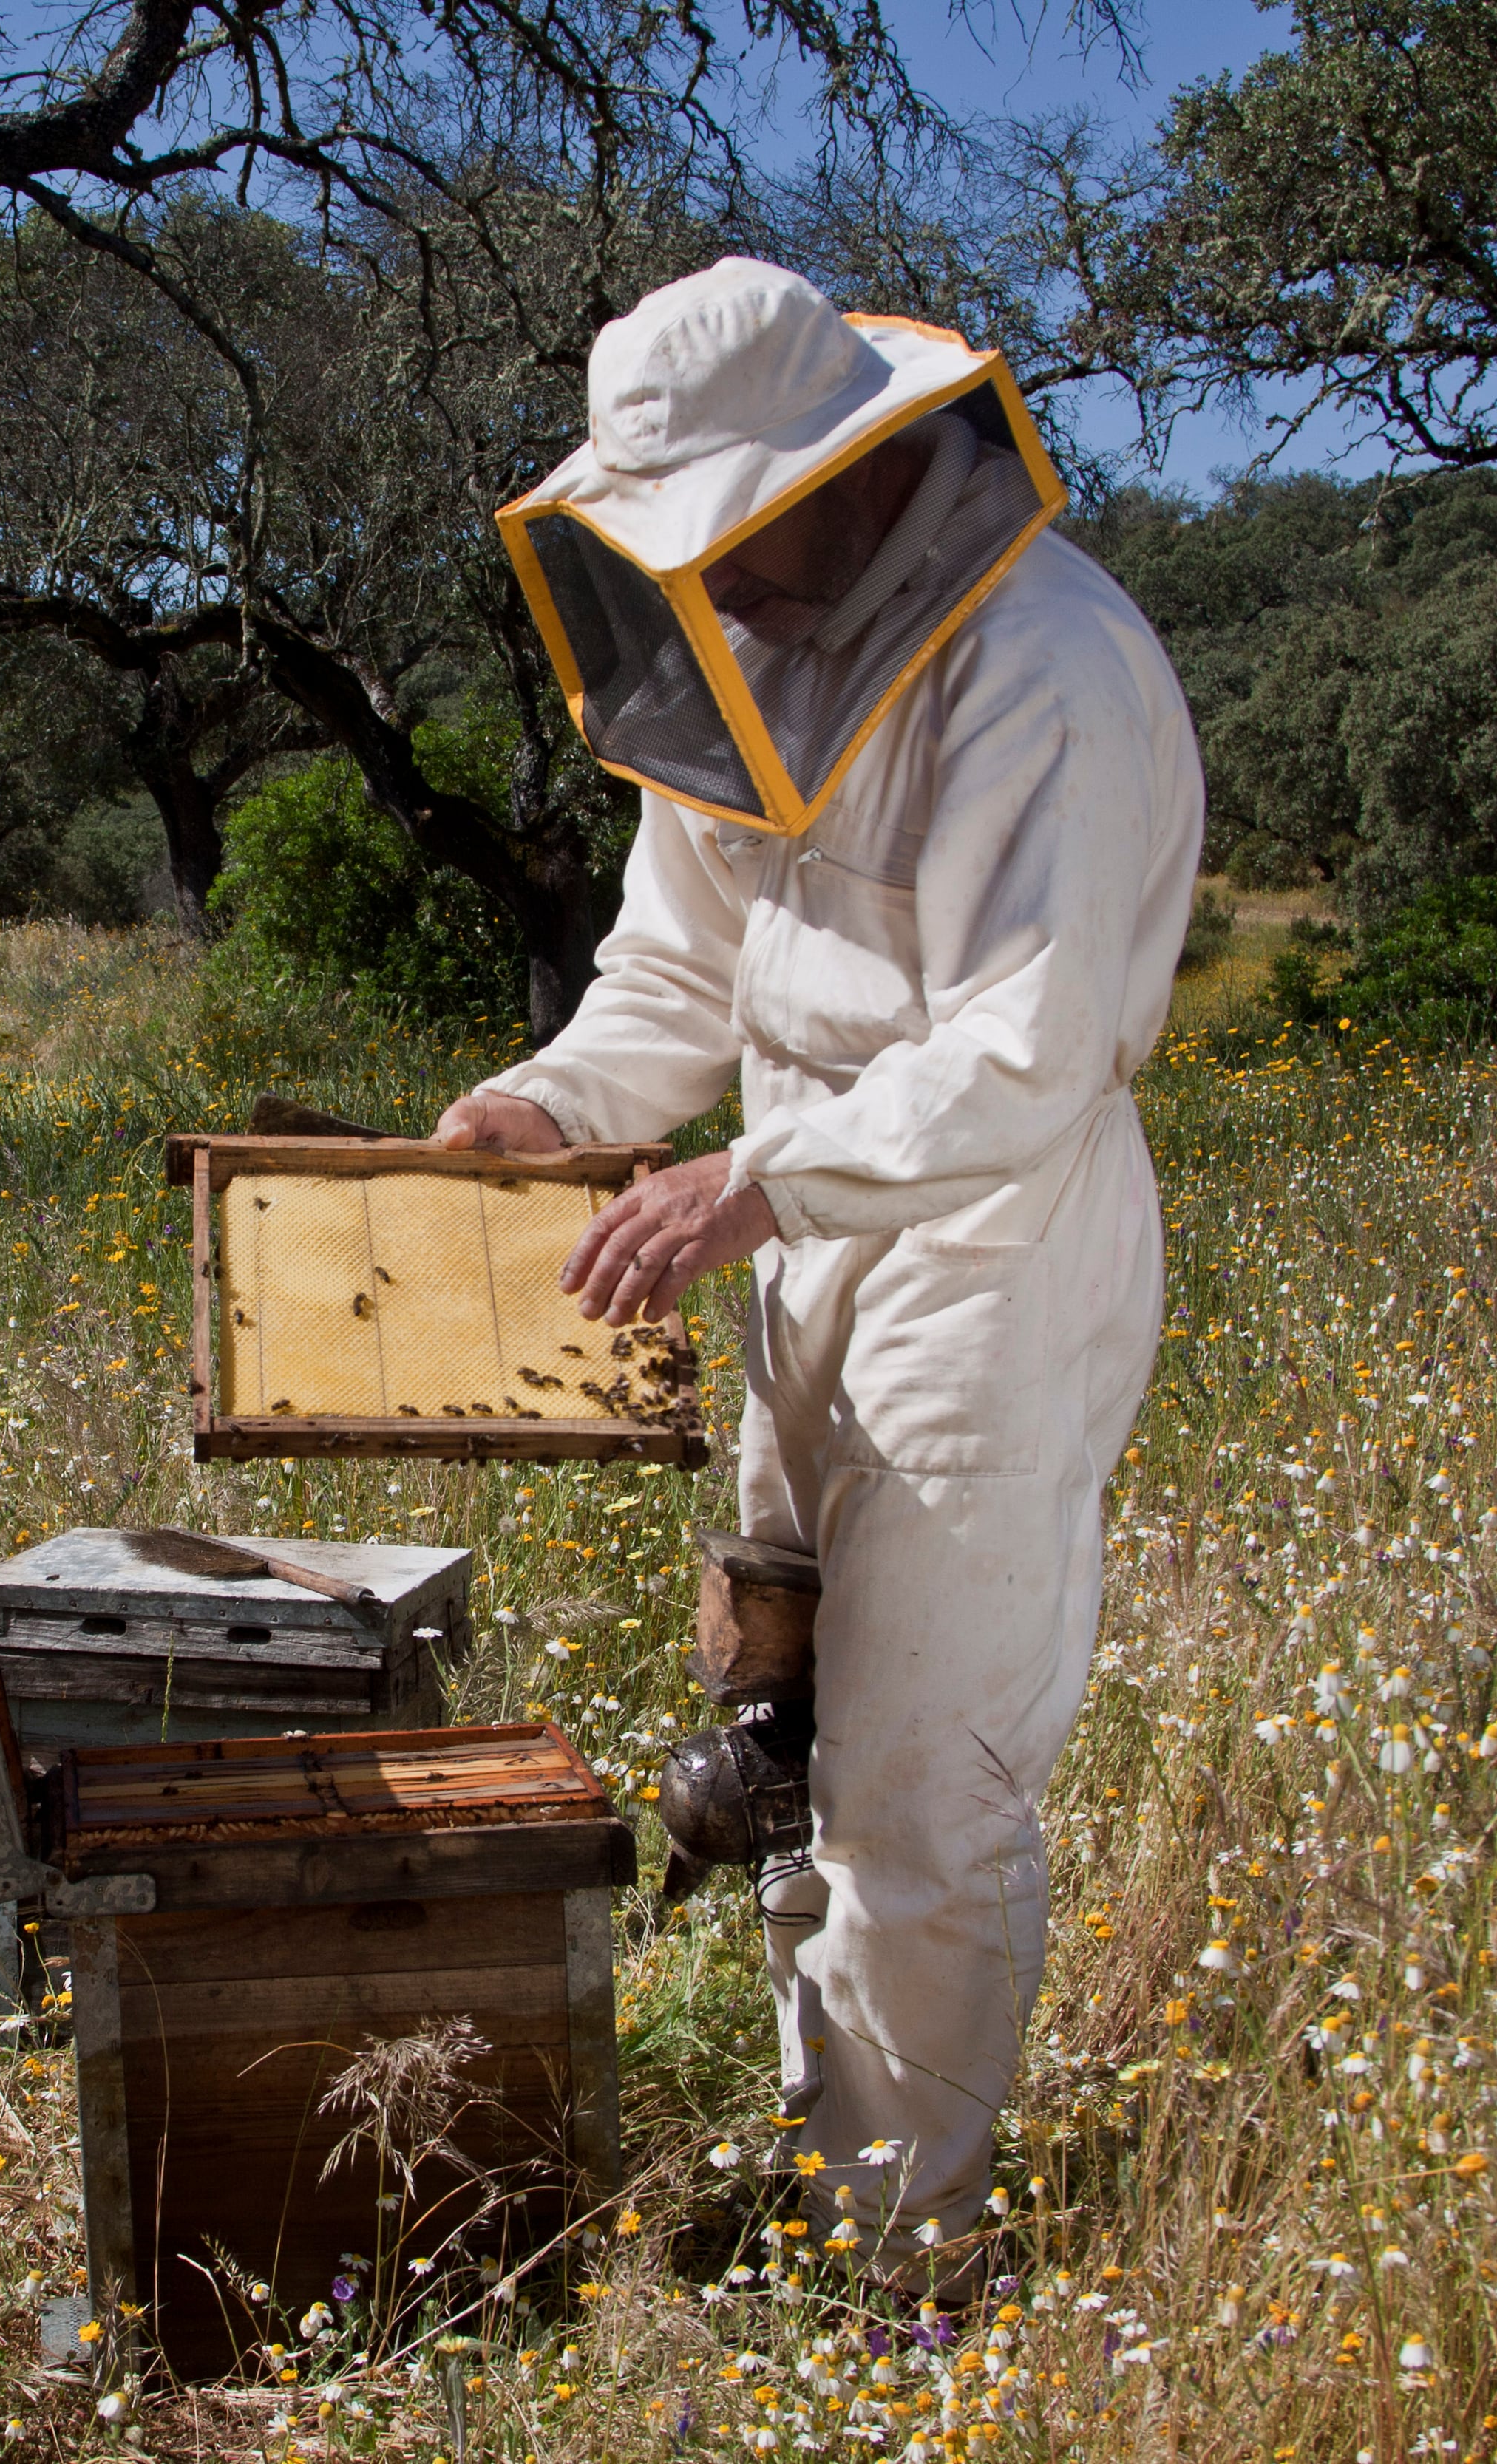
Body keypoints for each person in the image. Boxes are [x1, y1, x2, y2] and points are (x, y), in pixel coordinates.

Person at [438, 257, 1203, 2281]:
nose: (725, 582)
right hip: (802, 1239)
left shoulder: (1049, 660)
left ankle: (907, 2274)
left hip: (989, 1250)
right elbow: (676, 975)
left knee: (919, 1779)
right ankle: (830, 2164)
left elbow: (1026, 1050)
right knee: (776, 1736)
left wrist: (760, 1184)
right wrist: (545, 1104)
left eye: (743, 534)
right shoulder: (744, 661)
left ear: (850, 471)